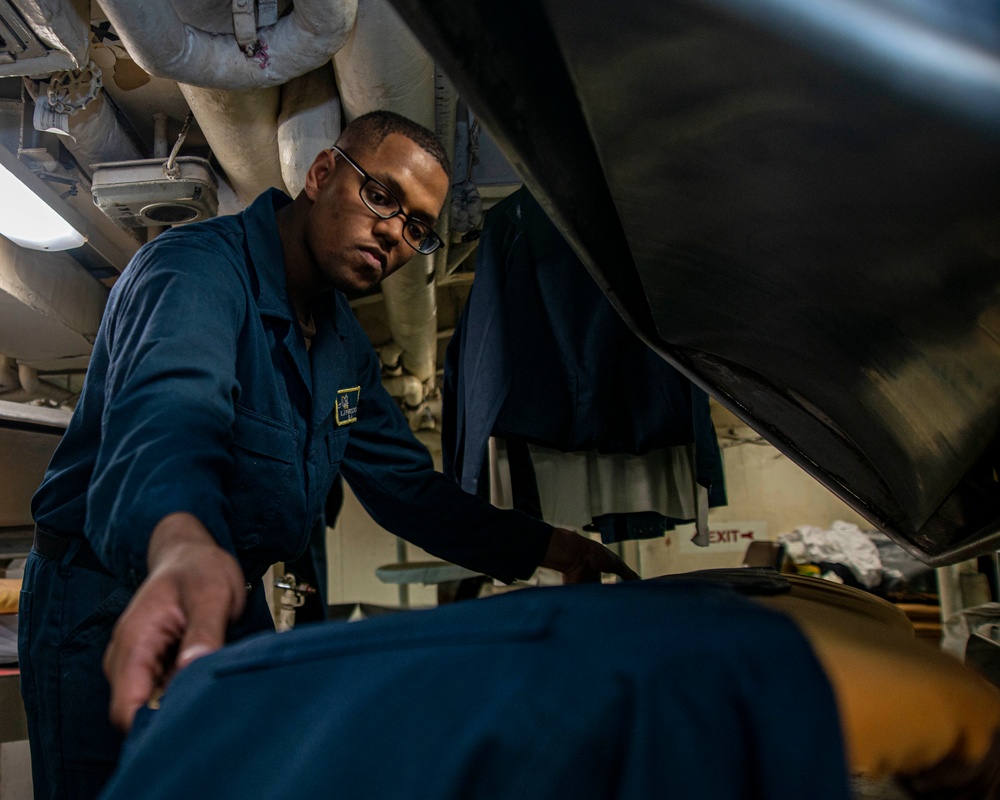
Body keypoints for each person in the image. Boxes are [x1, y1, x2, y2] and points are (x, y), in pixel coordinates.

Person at [19, 110, 637, 800]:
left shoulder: (343, 346)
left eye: (419, 228)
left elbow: (410, 491)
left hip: (228, 592)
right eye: (383, 197)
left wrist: (559, 549)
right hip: (106, 594)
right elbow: (168, 420)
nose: (396, 233)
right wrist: (181, 543)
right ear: (320, 175)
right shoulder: (195, 271)